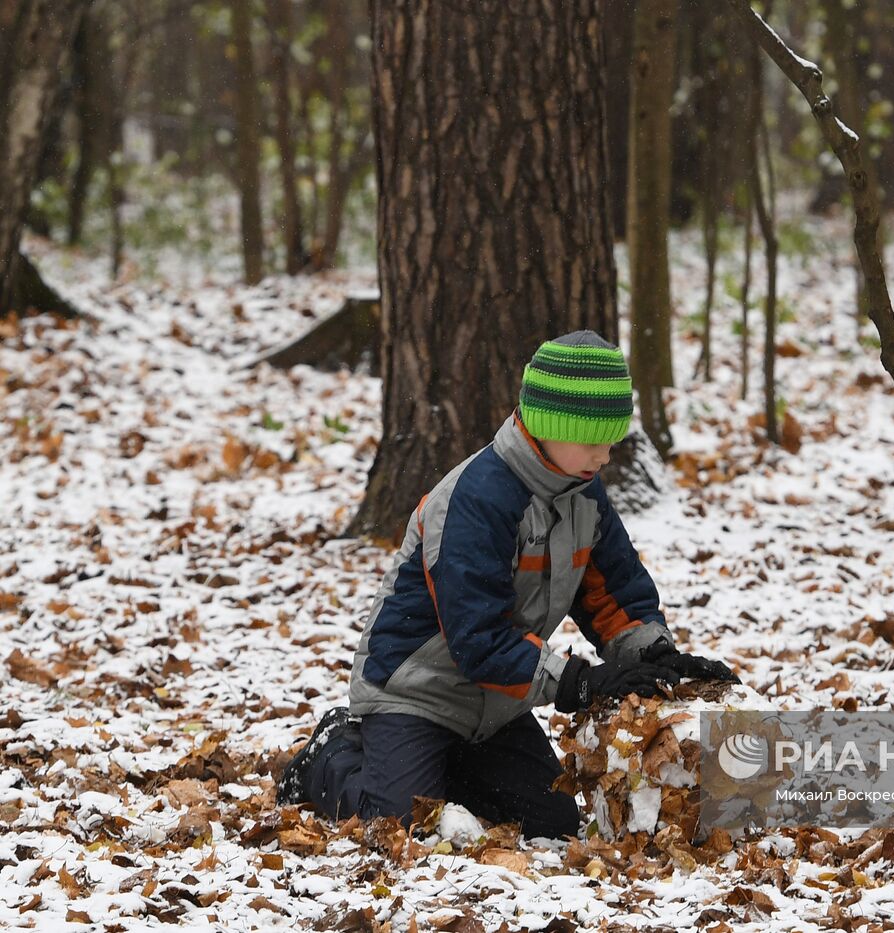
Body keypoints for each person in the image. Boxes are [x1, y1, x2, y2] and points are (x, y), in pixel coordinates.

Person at [274, 330, 739, 840]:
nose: (604, 456)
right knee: (406, 826)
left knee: (553, 823)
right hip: (413, 693)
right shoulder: (477, 500)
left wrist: (653, 654)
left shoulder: (583, 493)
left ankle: (440, 768)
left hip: (494, 705)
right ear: (547, 427)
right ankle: (334, 754)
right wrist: (578, 682)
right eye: (592, 440)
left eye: (611, 440)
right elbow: (478, 637)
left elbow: (615, 591)